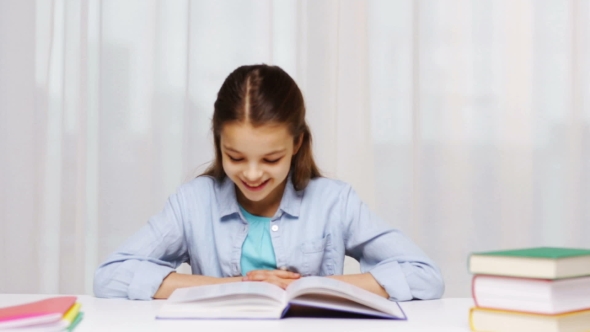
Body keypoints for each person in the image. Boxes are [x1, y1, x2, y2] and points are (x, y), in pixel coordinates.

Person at [93, 64, 444, 301]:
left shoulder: (334, 202)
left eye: (271, 159)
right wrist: (235, 289)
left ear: (297, 145)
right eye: (236, 157)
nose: (252, 174)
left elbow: (424, 276)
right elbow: (111, 276)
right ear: (218, 144)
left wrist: (308, 288)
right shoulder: (193, 203)